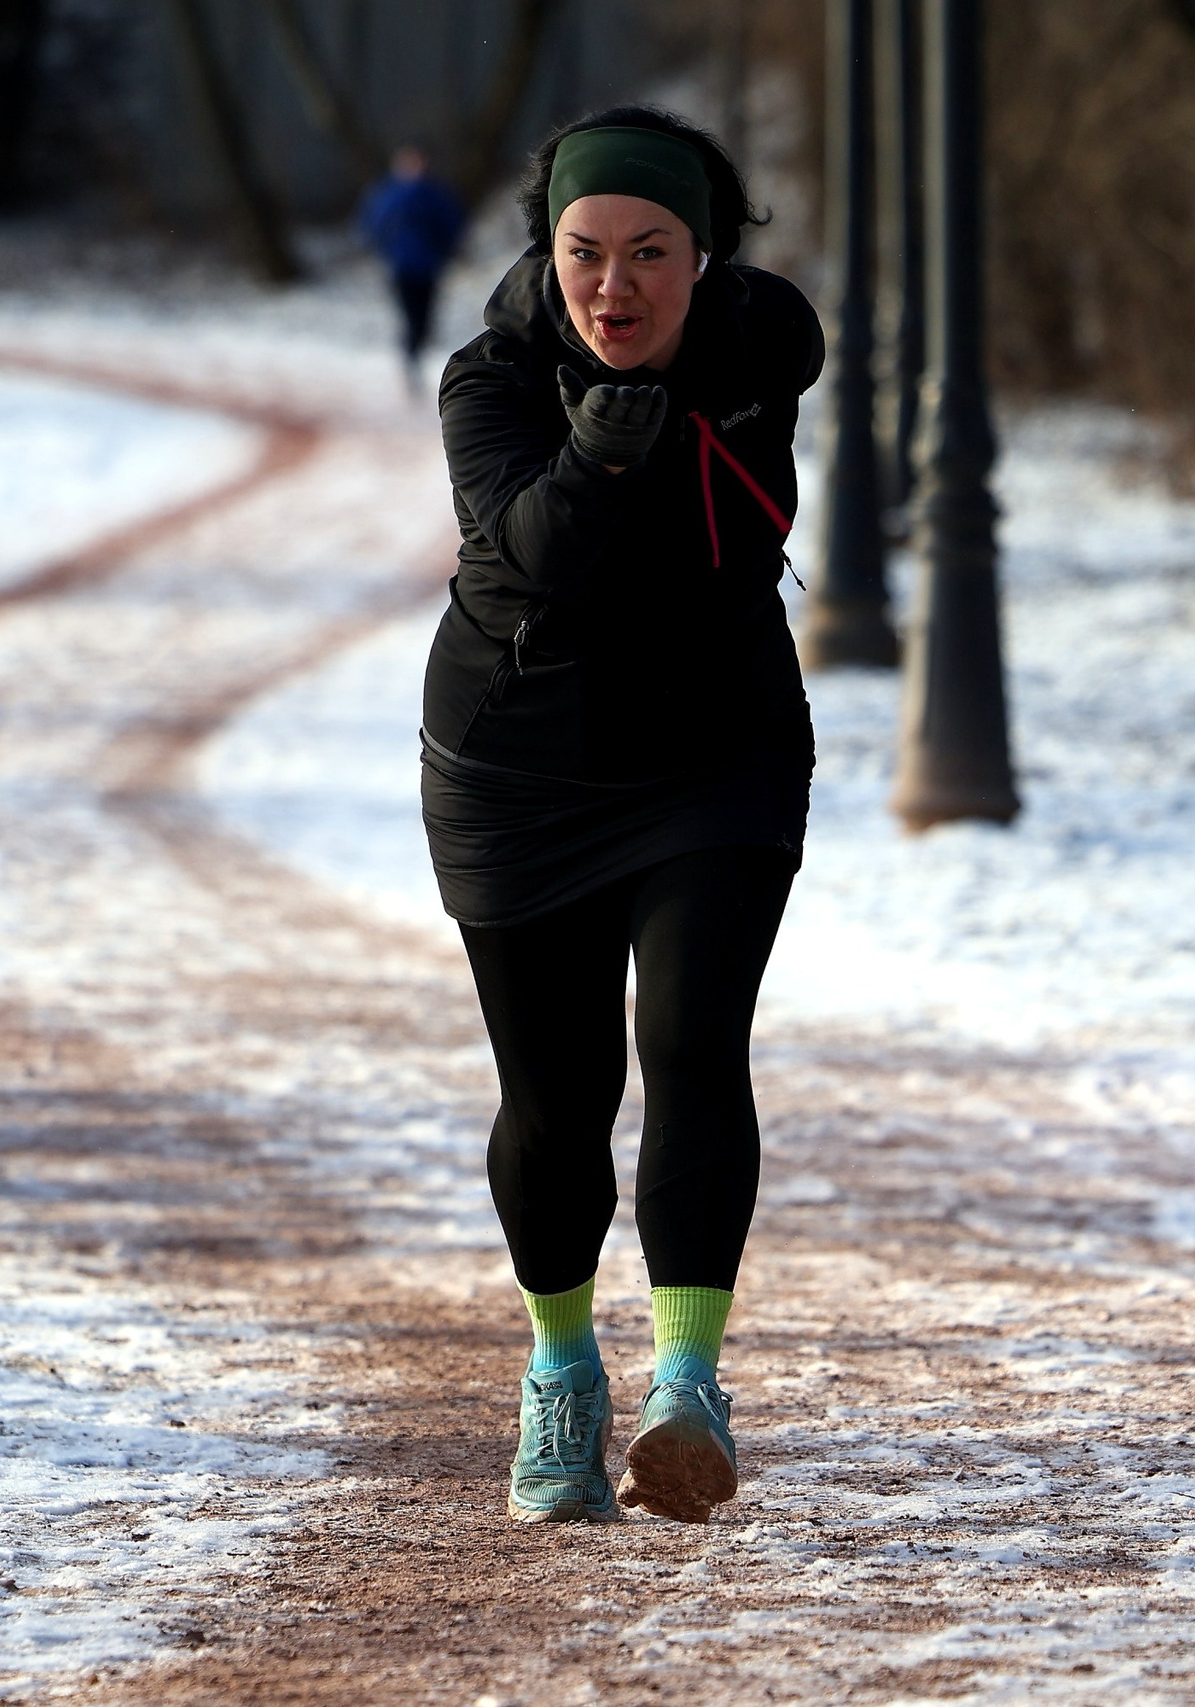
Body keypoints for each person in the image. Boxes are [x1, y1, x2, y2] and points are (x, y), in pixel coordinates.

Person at [421, 107, 823, 1525]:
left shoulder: (751, 344)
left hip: (716, 754)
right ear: (551, 252)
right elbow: (526, 552)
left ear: (701, 259)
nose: (617, 287)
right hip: (517, 766)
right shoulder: (491, 379)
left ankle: (687, 1386)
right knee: (558, 1095)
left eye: (653, 253)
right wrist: (597, 451)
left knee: (694, 1042)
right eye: (588, 253)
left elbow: (789, 338)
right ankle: (562, 1368)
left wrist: (703, 387)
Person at [357, 145, 467, 385]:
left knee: (425, 316)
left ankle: (416, 355)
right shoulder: (389, 195)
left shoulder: (434, 194)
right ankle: (411, 359)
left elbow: (452, 223)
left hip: (428, 266)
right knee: (411, 316)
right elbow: (372, 225)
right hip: (402, 266)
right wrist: (385, 251)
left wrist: (445, 249)